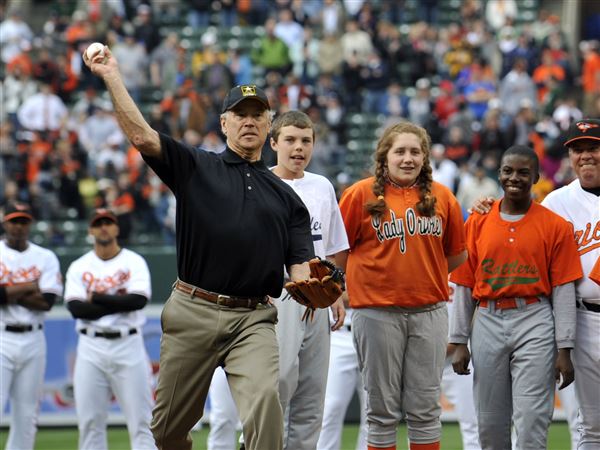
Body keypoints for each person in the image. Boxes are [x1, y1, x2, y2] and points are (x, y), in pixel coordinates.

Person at [83, 46, 315, 450]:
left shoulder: (287, 198)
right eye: (240, 114)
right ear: (224, 123)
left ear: (268, 125)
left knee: (265, 403)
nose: (249, 121)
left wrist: (311, 286)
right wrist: (112, 76)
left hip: (253, 318)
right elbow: (141, 136)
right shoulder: (195, 166)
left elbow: (301, 269)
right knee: (167, 431)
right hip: (193, 309)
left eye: (257, 114)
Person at [207, 110, 348, 450]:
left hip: (318, 296)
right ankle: (253, 443)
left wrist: (336, 294)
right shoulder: (259, 182)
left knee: (313, 392)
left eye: (306, 141)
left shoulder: (322, 186)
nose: (298, 148)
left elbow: (334, 246)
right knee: (278, 382)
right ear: (273, 143)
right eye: (290, 140)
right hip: (278, 294)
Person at [470, 119, 600, 450]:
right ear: (569, 156)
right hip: (586, 319)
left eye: (593, 148)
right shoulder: (557, 202)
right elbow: (516, 220)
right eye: (578, 149)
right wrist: (486, 208)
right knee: (590, 424)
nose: (585, 156)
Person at [338, 121, 468, 450]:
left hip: (429, 312)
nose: (407, 158)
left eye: (415, 151)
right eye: (400, 151)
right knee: (381, 412)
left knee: (425, 410)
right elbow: (338, 253)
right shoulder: (360, 194)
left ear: (425, 157)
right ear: (385, 156)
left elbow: (455, 256)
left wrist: (423, 273)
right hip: (376, 313)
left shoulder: (443, 196)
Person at [449, 145, 582, 450]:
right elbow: (464, 285)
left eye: (524, 172)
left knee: (533, 419)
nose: (515, 178)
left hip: (534, 316)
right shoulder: (477, 221)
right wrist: (458, 341)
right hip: (487, 318)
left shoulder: (554, 226)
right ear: (499, 174)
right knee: (491, 422)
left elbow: (562, 290)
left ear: (536, 177)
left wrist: (565, 347)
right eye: (508, 171)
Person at [64, 208, 156, 450]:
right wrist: (117, 301)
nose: (103, 227)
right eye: (98, 223)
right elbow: (77, 309)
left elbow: (138, 301)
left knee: (143, 422)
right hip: (90, 347)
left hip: (129, 345)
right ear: (90, 230)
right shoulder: (79, 265)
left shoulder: (134, 261)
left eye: (108, 222)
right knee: (90, 423)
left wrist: (97, 297)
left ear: (116, 228)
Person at [0, 202, 62, 450]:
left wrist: (7, 292)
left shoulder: (45, 257)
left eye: (23, 221)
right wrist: (28, 286)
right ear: (5, 222)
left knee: (27, 414)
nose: (18, 226)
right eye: (14, 221)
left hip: (34, 339)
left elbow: (46, 302)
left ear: (30, 224)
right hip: (2, 335)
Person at [316, 303, 368, 450]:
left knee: (374, 411)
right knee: (330, 407)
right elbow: (329, 291)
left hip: (373, 330)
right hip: (337, 332)